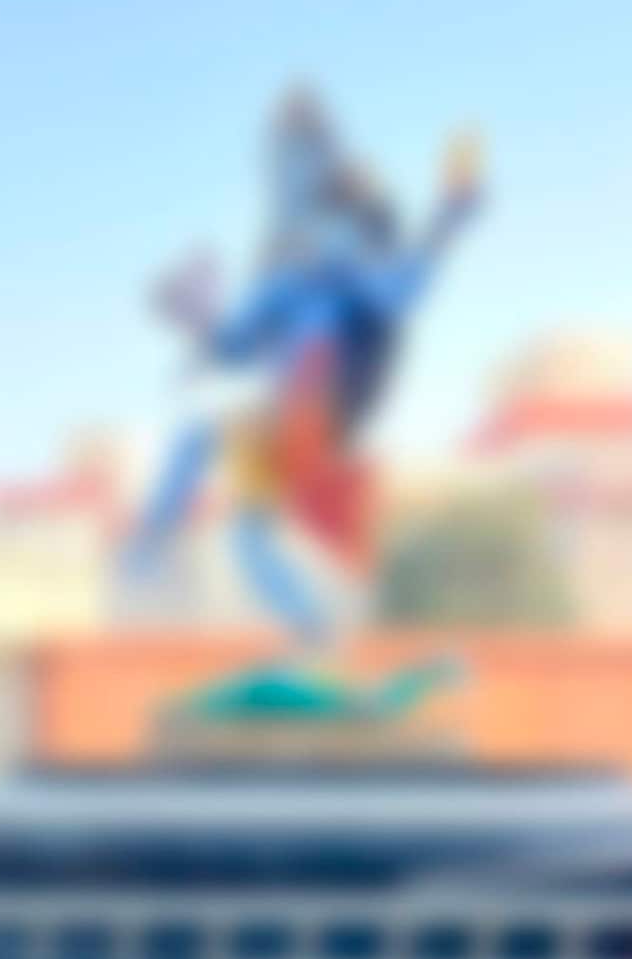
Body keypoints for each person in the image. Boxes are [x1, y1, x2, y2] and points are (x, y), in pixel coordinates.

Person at [132, 94, 485, 641]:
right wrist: (198, 323)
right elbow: (236, 344)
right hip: (288, 421)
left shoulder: (348, 268)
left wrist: (448, 217)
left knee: (230, 441)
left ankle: (157, 553)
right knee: (239, 514)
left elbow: (402, 293)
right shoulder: (283, 280)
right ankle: (306, 628)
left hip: (325, 406)